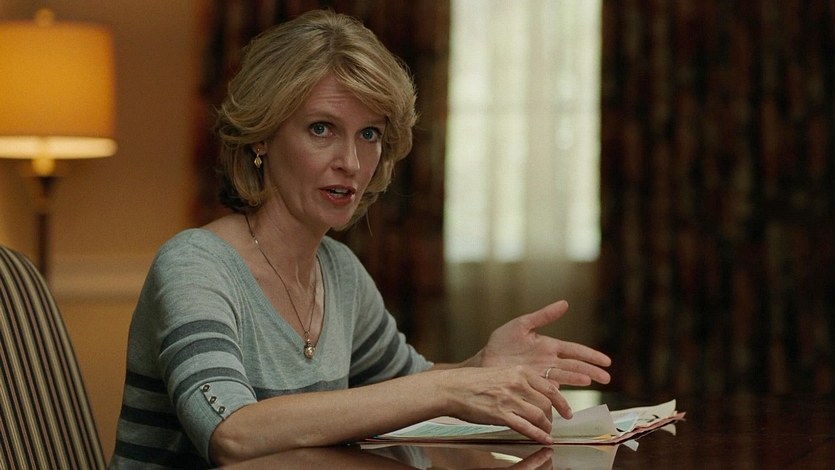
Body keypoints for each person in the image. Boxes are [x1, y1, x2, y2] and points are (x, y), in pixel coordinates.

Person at [109, 9, 611, 469]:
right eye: (322, 129)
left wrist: (480, 368)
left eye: (369, 134)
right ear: (261, 134)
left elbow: (406, 388)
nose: (350, 162)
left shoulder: (338, 270)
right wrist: (448, 387)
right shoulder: (195, 265)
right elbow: (233, 433)